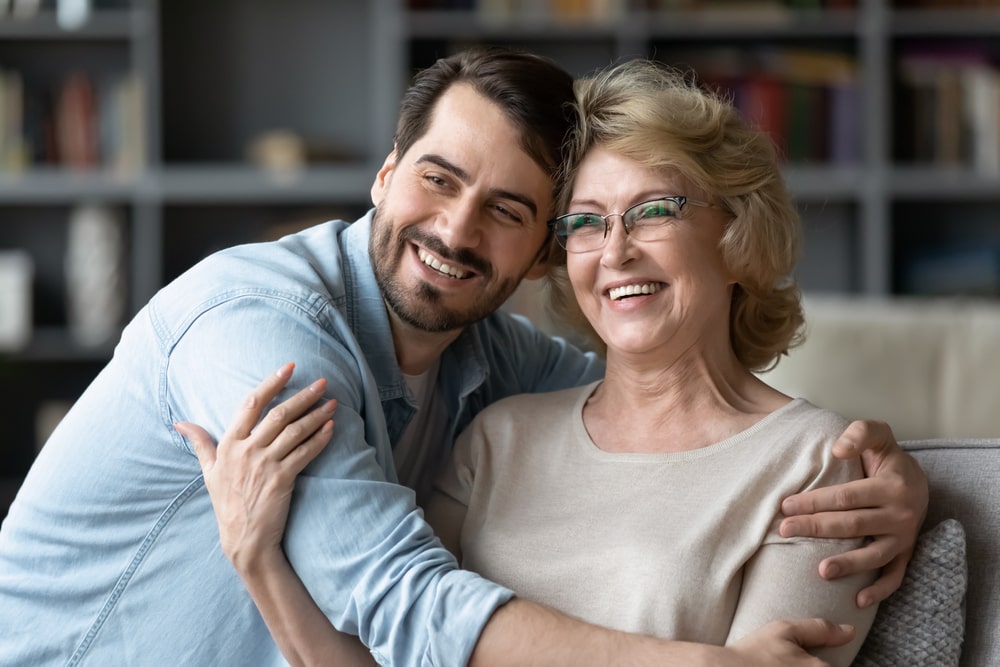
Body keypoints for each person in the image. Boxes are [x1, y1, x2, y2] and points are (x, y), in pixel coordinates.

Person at [0, 48, 925, 666]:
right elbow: (393, 596)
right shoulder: (259, 326)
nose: (455, 227)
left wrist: (904, 465)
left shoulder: (498, 367)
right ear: (384, 173)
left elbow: (672, 406)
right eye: (438, 179)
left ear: (534, 255)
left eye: (511, 210)